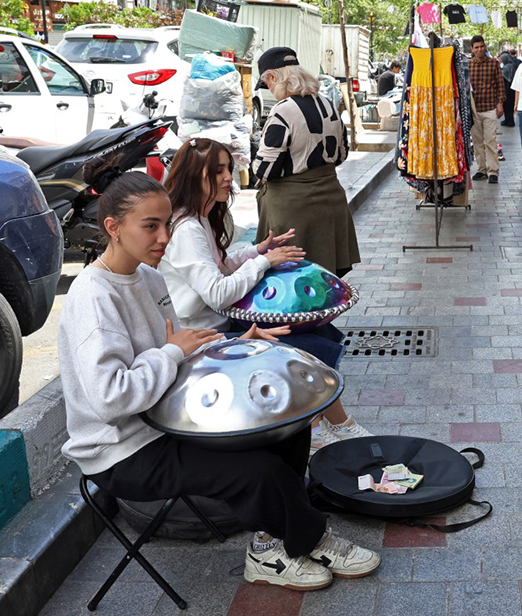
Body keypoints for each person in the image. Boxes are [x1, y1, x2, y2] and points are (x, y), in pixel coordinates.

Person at [58, 161, 380, 592]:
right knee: (256, 472)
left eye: (166, 225)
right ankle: (310, 539)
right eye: (150, 226)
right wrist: (174, 351)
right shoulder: (93, 299)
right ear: (114, 226)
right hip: (121, 449)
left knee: (289, 429)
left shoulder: (148, 279)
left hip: (163, 420)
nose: (164, 238)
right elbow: (111, 397)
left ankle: (270, 545)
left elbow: (181, 348)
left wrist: (234, 343)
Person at [160, 137, 372, 451]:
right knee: (293, 341)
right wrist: (262, 262)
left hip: (221, 325)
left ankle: (334, 422)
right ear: (195, 176)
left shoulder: (200, 220)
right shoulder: (188, 228)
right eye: (218, 171)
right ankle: (315, 427)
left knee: (312, 328)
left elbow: (219, 267)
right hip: (206, 337)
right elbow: (218, 293)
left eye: (228, 169)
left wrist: (258, 251)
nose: (229, 178)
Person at [252, 46, 360, 278]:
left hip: (293, 210)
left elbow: (265, 169)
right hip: (330, 202)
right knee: (324, 283)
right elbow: (341, 155)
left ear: (272, 76)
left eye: (267, 84)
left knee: (292, 284)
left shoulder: (283, 111)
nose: (269, 91)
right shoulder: (328, 105)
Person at [468, 35, 505, 184]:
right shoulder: (468, 65)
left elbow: (500, 84)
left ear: (485, 47)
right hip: (474, 109)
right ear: (472, 49)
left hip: (490, 107)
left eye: (481, 46)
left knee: (490, 140)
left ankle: (493, 171)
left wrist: (500, 103)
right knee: (477, 142)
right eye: (476, 47)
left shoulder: (494, 63)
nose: (479, 49)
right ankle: (481, 169)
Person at [499, 47, 520, 127]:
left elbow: (504, 79)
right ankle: (508, 120)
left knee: (507, 106)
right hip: (513, 89)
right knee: (510, 106)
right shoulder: (512, 65)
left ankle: (509, 121)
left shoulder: (506, 67)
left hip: (507, 89)